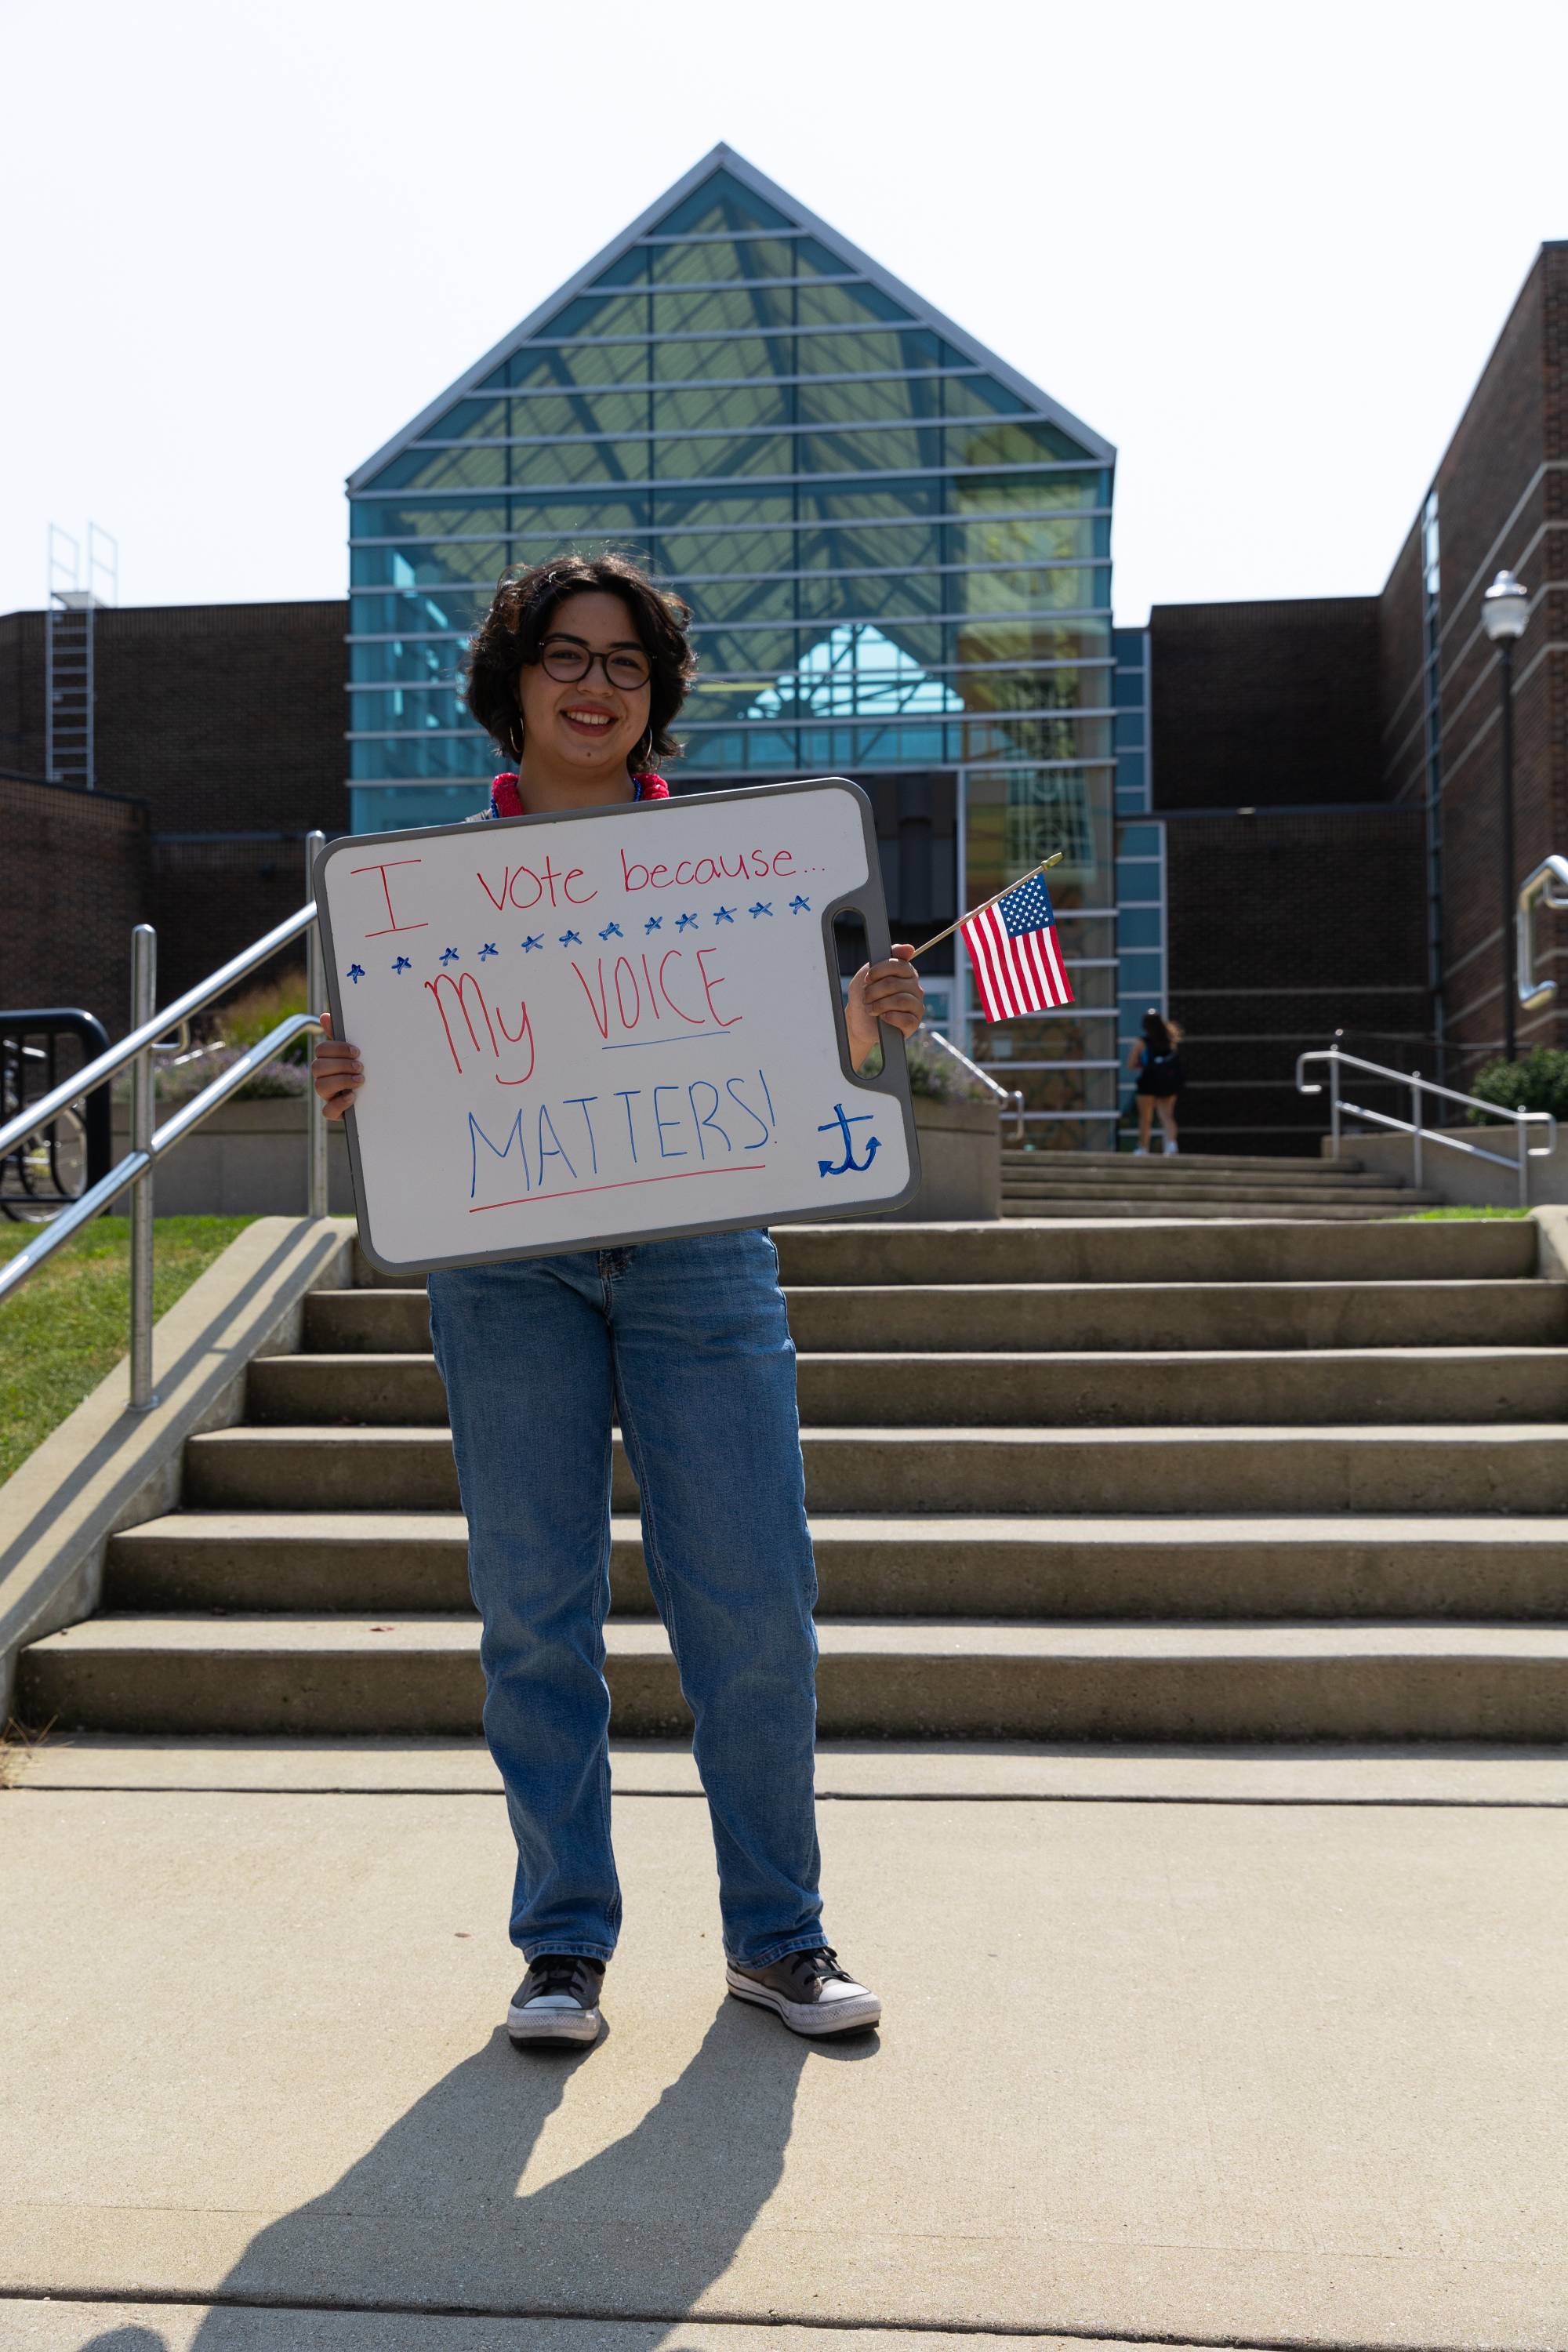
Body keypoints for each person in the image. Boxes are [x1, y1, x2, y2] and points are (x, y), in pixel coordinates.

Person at [313, 554, 925, 2047]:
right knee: (536, 1612)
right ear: (512, 682)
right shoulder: (420, 899)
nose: (597, 685)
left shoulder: (737, 872)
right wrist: (351, 1085)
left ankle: (779, 1939)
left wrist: (865, 1027)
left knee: (755, 1605)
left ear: (655, 699)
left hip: (702, 1252)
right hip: (505, 1269)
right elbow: (411, 1101)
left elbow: (818, 1079)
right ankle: (562, 1948)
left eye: (628, 665)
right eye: (566, 656)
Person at [1128, 1007, 1185, 1156]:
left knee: (1146, 1117)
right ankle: (1172, 1145)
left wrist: (1143, 1064)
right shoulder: (1170, 1040)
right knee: (1167, 1116)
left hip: (1148, 1082)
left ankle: (1143, 1147)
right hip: (1168, 1083)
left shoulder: (1143, 1042)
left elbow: (1131, 1064)